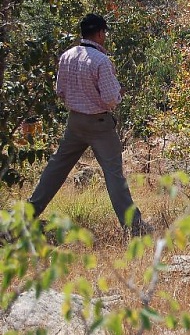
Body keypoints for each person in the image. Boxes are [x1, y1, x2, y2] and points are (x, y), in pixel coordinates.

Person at [28, 14, 149, 236]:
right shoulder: (101, 61)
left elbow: (61, 92)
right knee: (114, 175)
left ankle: (26, 216)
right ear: (100, 33)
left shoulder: (67, 56)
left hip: (75, 122)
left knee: (56, 169)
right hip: (99, 124)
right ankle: (134, 227)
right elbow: (112, 99)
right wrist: (118, 93)